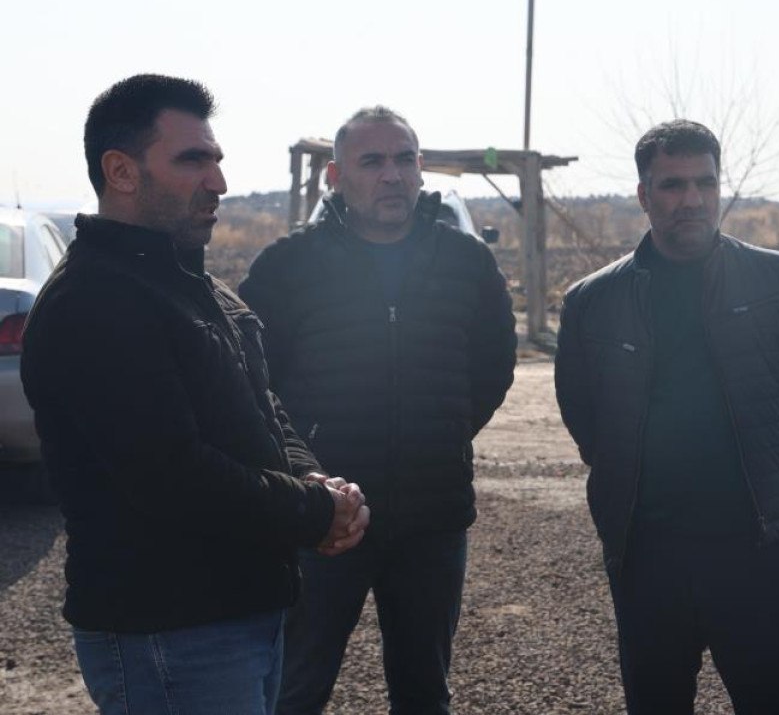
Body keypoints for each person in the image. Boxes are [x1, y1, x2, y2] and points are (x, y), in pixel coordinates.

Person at [19, 74, 369, 715]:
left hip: (239, 613)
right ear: (121, 171)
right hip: (170, 631)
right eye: (192, 160)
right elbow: (171, 475)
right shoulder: (96, 301)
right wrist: (313, 512)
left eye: (216, 159)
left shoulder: (192, 284)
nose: (219, 182)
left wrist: (312, 478)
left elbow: (261, 407)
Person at [554, 119, 779, 714]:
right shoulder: (593, 302)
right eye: (673, 185)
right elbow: (583, 414)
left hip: (758, 550)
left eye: (705, 183)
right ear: (643, 194)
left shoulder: (775, 279)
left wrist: (773, 462)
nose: (692, 199)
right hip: (647, 554)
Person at [239, 106, 517, 714]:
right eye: (372, 162)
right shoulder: (288, 266)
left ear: (420, 169)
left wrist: (442, 431)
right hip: (322, 516)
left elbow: (493, 367)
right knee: (294, 688)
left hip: (433, 516)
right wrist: (304, 473)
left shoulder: (467, 262)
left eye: (404, 159)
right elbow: (253, 382)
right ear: (336, 177)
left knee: (424, 693)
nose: (392, 175)